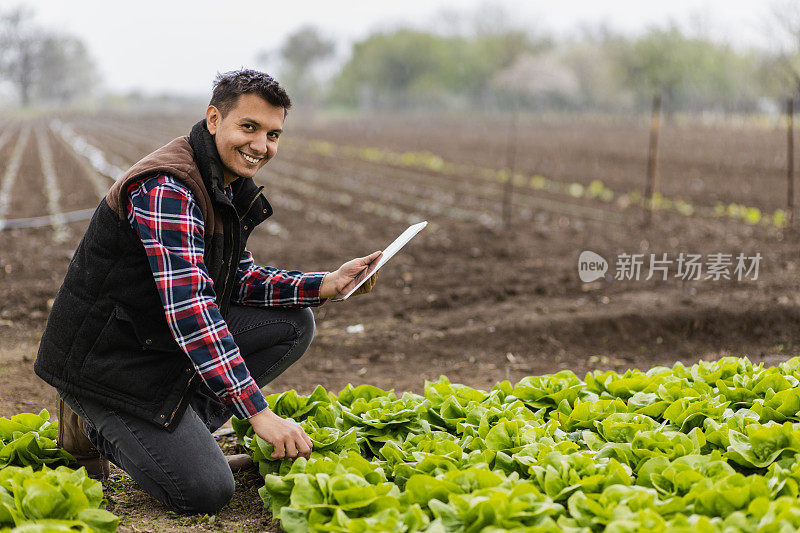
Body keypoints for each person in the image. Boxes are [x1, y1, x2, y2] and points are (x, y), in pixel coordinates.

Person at [34, 69, 380, 514]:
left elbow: (235, 279)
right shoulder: (169, 188)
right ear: (214, 119)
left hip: (156, 345)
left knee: (292, 323)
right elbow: (192, 311)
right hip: (108, 362)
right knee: (204, 492)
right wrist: (258, 414)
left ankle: (179, 432)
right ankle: (93, 427)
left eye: (273, 134)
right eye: (249, 127)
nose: (262, 146)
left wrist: (325, 284)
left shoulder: (224, 182)